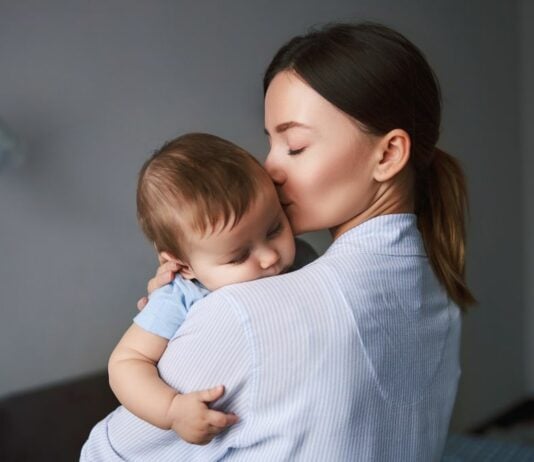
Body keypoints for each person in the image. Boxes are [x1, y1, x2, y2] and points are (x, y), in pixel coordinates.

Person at [81, 22, 475, 461]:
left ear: (387, 155)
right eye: (271, 143)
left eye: (296, 145)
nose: (270, 170)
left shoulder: (244, 311)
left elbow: (105, 454)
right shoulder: (442, 291)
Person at [105, 132, 310, 445]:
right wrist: (172, 410)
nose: (270, 257)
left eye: (274, 228)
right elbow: (126, 362)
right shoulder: (179, 296)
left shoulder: (304, 257)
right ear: (185, 266)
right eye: (239, 256)